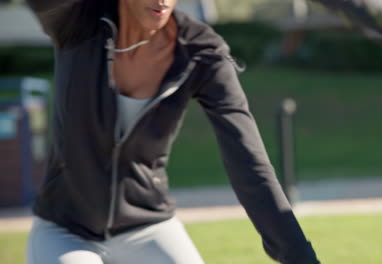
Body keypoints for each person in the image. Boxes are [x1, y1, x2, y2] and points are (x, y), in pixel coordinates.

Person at [25, 0, 321, 263]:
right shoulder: (76, 19)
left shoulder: (200, 53)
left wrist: (299, 256)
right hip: (65, 230)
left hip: (147, 226)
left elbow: (248, 160)